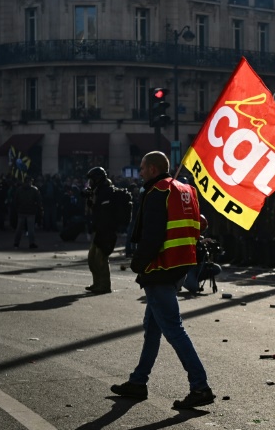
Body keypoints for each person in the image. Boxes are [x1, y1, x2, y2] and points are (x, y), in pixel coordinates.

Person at [110, 151, 215, 409]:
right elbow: (200, 225)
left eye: (143, 167)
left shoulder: (157, 191)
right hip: (180, 265)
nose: (141, 171)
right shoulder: (186, 189)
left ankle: (200, 386)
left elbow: (153, 234)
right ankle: (138, 381)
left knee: (173, 329)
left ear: (154, 169)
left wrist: (138, 264)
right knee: (153, 328)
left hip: (160, 267)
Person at [83, 166, 119, 294]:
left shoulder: (106, 191)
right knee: (92, 258)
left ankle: (104, 285)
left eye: (92, 180)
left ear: (97, 179)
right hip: (100, 229)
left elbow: (104, 212)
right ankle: (97, 283)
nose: (90, 183)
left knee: (100, 258)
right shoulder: (98, 191)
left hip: (107, 229)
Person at [12, 176, 42, 249]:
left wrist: (16, 208)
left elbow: (15, 200)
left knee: (19, 228)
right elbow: (38, 201)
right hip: (31, 211)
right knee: (31, 229)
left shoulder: (19, 189)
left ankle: (16, 243)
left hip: (21, 211)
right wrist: (39, 209)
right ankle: (31, 243)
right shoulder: (34, 189)